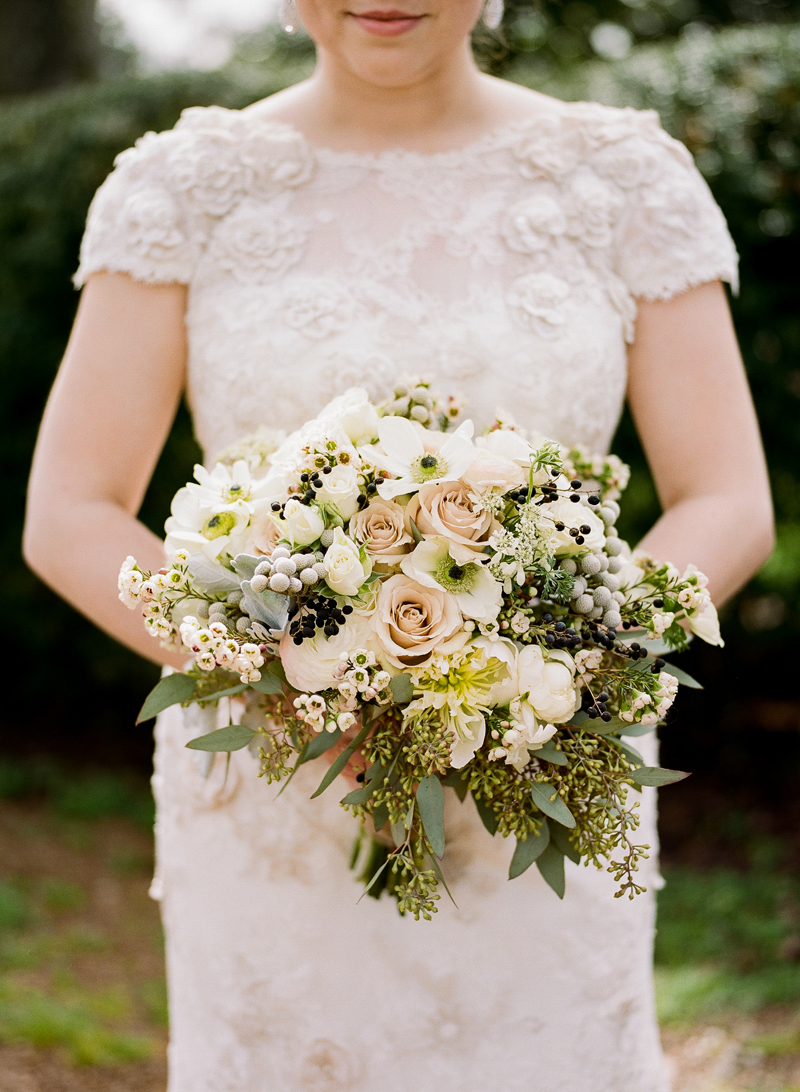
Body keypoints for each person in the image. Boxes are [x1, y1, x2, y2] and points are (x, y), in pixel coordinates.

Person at [24, 2, 773, 1089]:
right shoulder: (183, 190)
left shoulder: (622, 183)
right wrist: (286, 683)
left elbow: (725, 497)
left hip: (541, 789)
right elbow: (73, 511)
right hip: (277, 803)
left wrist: (543, 678)